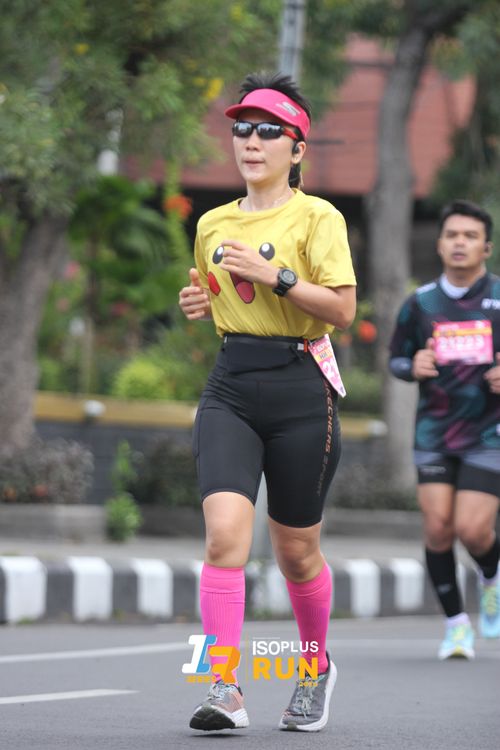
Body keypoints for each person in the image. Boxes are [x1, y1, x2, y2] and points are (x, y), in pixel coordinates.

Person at [178, 71, 356, 731]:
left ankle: (313, 669)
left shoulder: (319, 218)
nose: (250, 142)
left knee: (296, 553)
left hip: (300, 388)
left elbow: (342, 309)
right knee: (224, 537)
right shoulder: (211, 223)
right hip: (231, 386)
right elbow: (220, 295)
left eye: (268, 131)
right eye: (242, 130)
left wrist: (274, 275)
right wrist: (202, 302)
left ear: (297, 148)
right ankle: (223, 687)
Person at [389, 199, 500, 660]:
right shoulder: (421, 303)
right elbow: (396, 358)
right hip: (433, 433)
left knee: (472, 530)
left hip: (488, 433)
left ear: (486, 247)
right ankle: (457, 626)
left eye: (470, 236)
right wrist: (412, 365)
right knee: (437, 528)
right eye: (452, 234)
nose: (460, 243)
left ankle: (491, 576)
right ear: (439, 244)